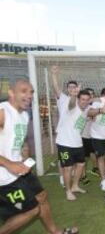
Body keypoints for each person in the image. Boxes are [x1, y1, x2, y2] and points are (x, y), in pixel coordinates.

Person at [0, 79, 78, 234]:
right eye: (24, 91)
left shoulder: (23, 115)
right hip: (4, 177)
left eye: (31, 92)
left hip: (20, 171)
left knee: (42, 196)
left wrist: (24, 151)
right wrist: (9, 164)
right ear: (11, 93)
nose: (29, 95)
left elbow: (15, 141)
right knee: (32, 210)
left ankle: (54, 231)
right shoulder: (3, 112)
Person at [55, 86, 91, 201]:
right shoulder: (72, 107)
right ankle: (68, 191)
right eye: (82, 99)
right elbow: (71, 103)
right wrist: (74, 95)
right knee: (68, 168)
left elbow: (92, 111)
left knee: (81, 165)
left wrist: (100, 110)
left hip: (78, 143)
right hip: (65, 143)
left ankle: (75, 186)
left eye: (86, 99)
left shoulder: (85, 111)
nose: (84, 101)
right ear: (78, 100)